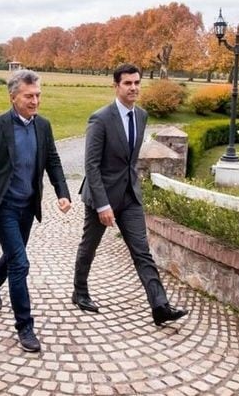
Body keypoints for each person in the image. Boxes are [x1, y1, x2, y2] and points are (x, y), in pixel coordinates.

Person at [71, 63, 189, 326]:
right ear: (116, 85)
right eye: (128, 83)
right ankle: (79, 291)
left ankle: (160, 306)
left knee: (142, 251)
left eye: (137, 82)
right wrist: (102, 205)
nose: (134, 87)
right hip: (100, 197)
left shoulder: (142, 116)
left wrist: (131, 188)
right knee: (89, 246)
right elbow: (91, 165)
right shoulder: (100, 118)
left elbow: (130, 160)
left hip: (130, 196)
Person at [0, 69, 71, 352]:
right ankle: (25, 326)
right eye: (29, 96)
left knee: (14, 256)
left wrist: (62, 192)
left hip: (27, 205)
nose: (35, 101)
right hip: (3, 206)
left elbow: (53, 160)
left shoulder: (43, 126)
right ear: (13, 97)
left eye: (38, 95)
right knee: (21, 264)